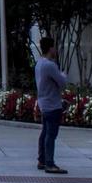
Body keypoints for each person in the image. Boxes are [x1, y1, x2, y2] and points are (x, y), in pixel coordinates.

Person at [34, 36, 67, 174]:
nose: (56, 50)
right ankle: (49, 163)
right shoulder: (50, 65)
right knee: (50, 135)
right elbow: (62, 82)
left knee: (45, 132)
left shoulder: (39, 63)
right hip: (52, 104)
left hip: (43, 102)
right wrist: (64, 75)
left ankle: (42, 160)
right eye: (54, 47)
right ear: (50, 48)